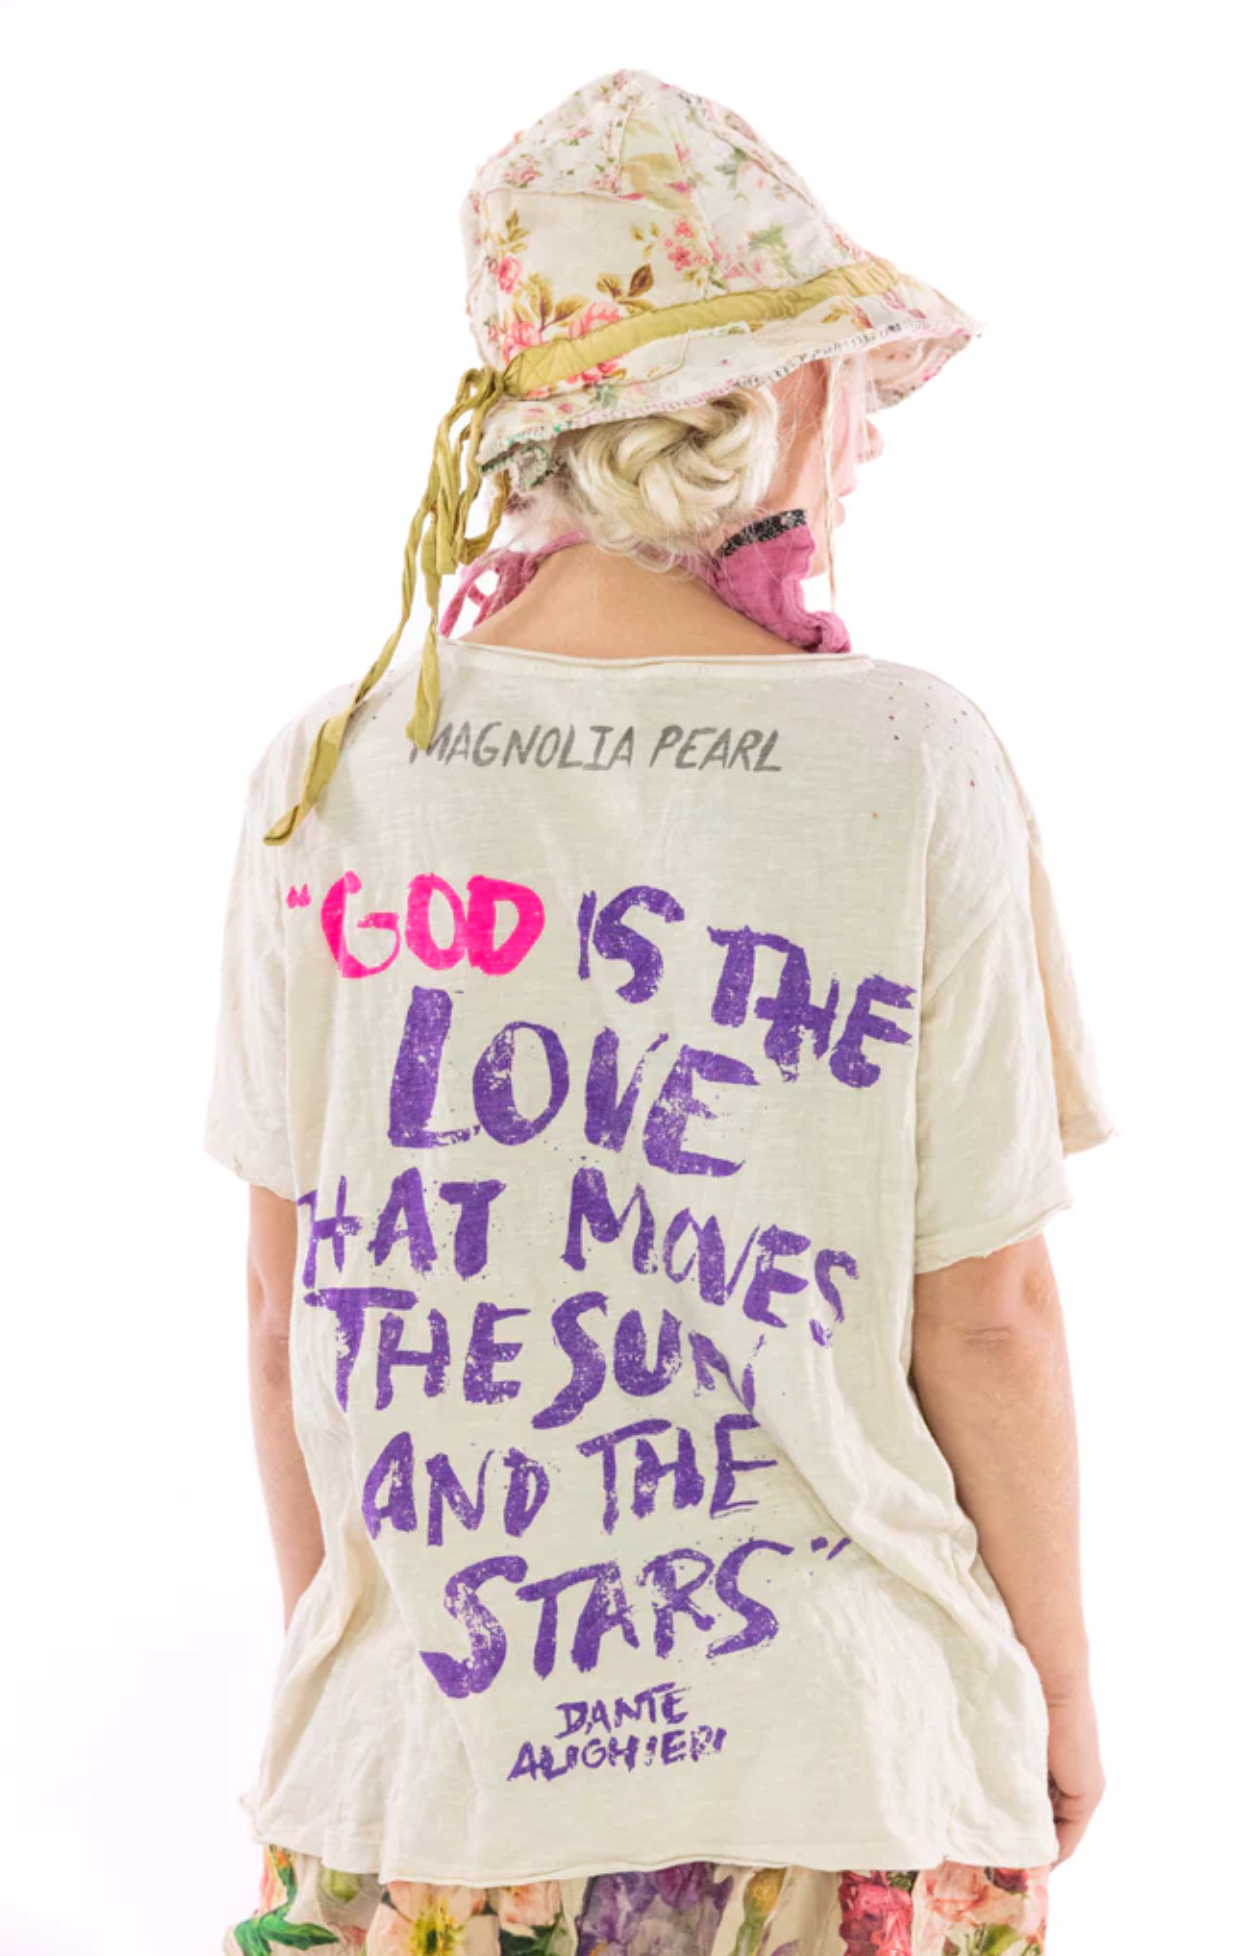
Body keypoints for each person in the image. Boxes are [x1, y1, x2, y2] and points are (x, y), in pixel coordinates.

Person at [206, 69, 1116, 1956]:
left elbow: (291, 1306)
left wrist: (367, 1665)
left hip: (433, 1771)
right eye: (845, 383)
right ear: (762, 402)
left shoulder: (332, 764)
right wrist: (1057, 1693)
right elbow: (988, 1312)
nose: (867, 438)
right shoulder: (906, 757)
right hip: (849, 1759)